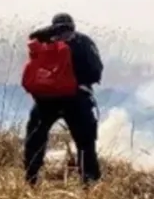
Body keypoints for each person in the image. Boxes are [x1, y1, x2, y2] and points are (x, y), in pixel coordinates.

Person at [22, 12, 104, 186]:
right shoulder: (84, 42)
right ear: (73, 26)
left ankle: (30, 180)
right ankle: (90, 184)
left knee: (35, 139)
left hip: (46, 101)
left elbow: (32, 39)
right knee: (85, 144)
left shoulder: (45, 41)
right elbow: (96, 71)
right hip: (77, 99)